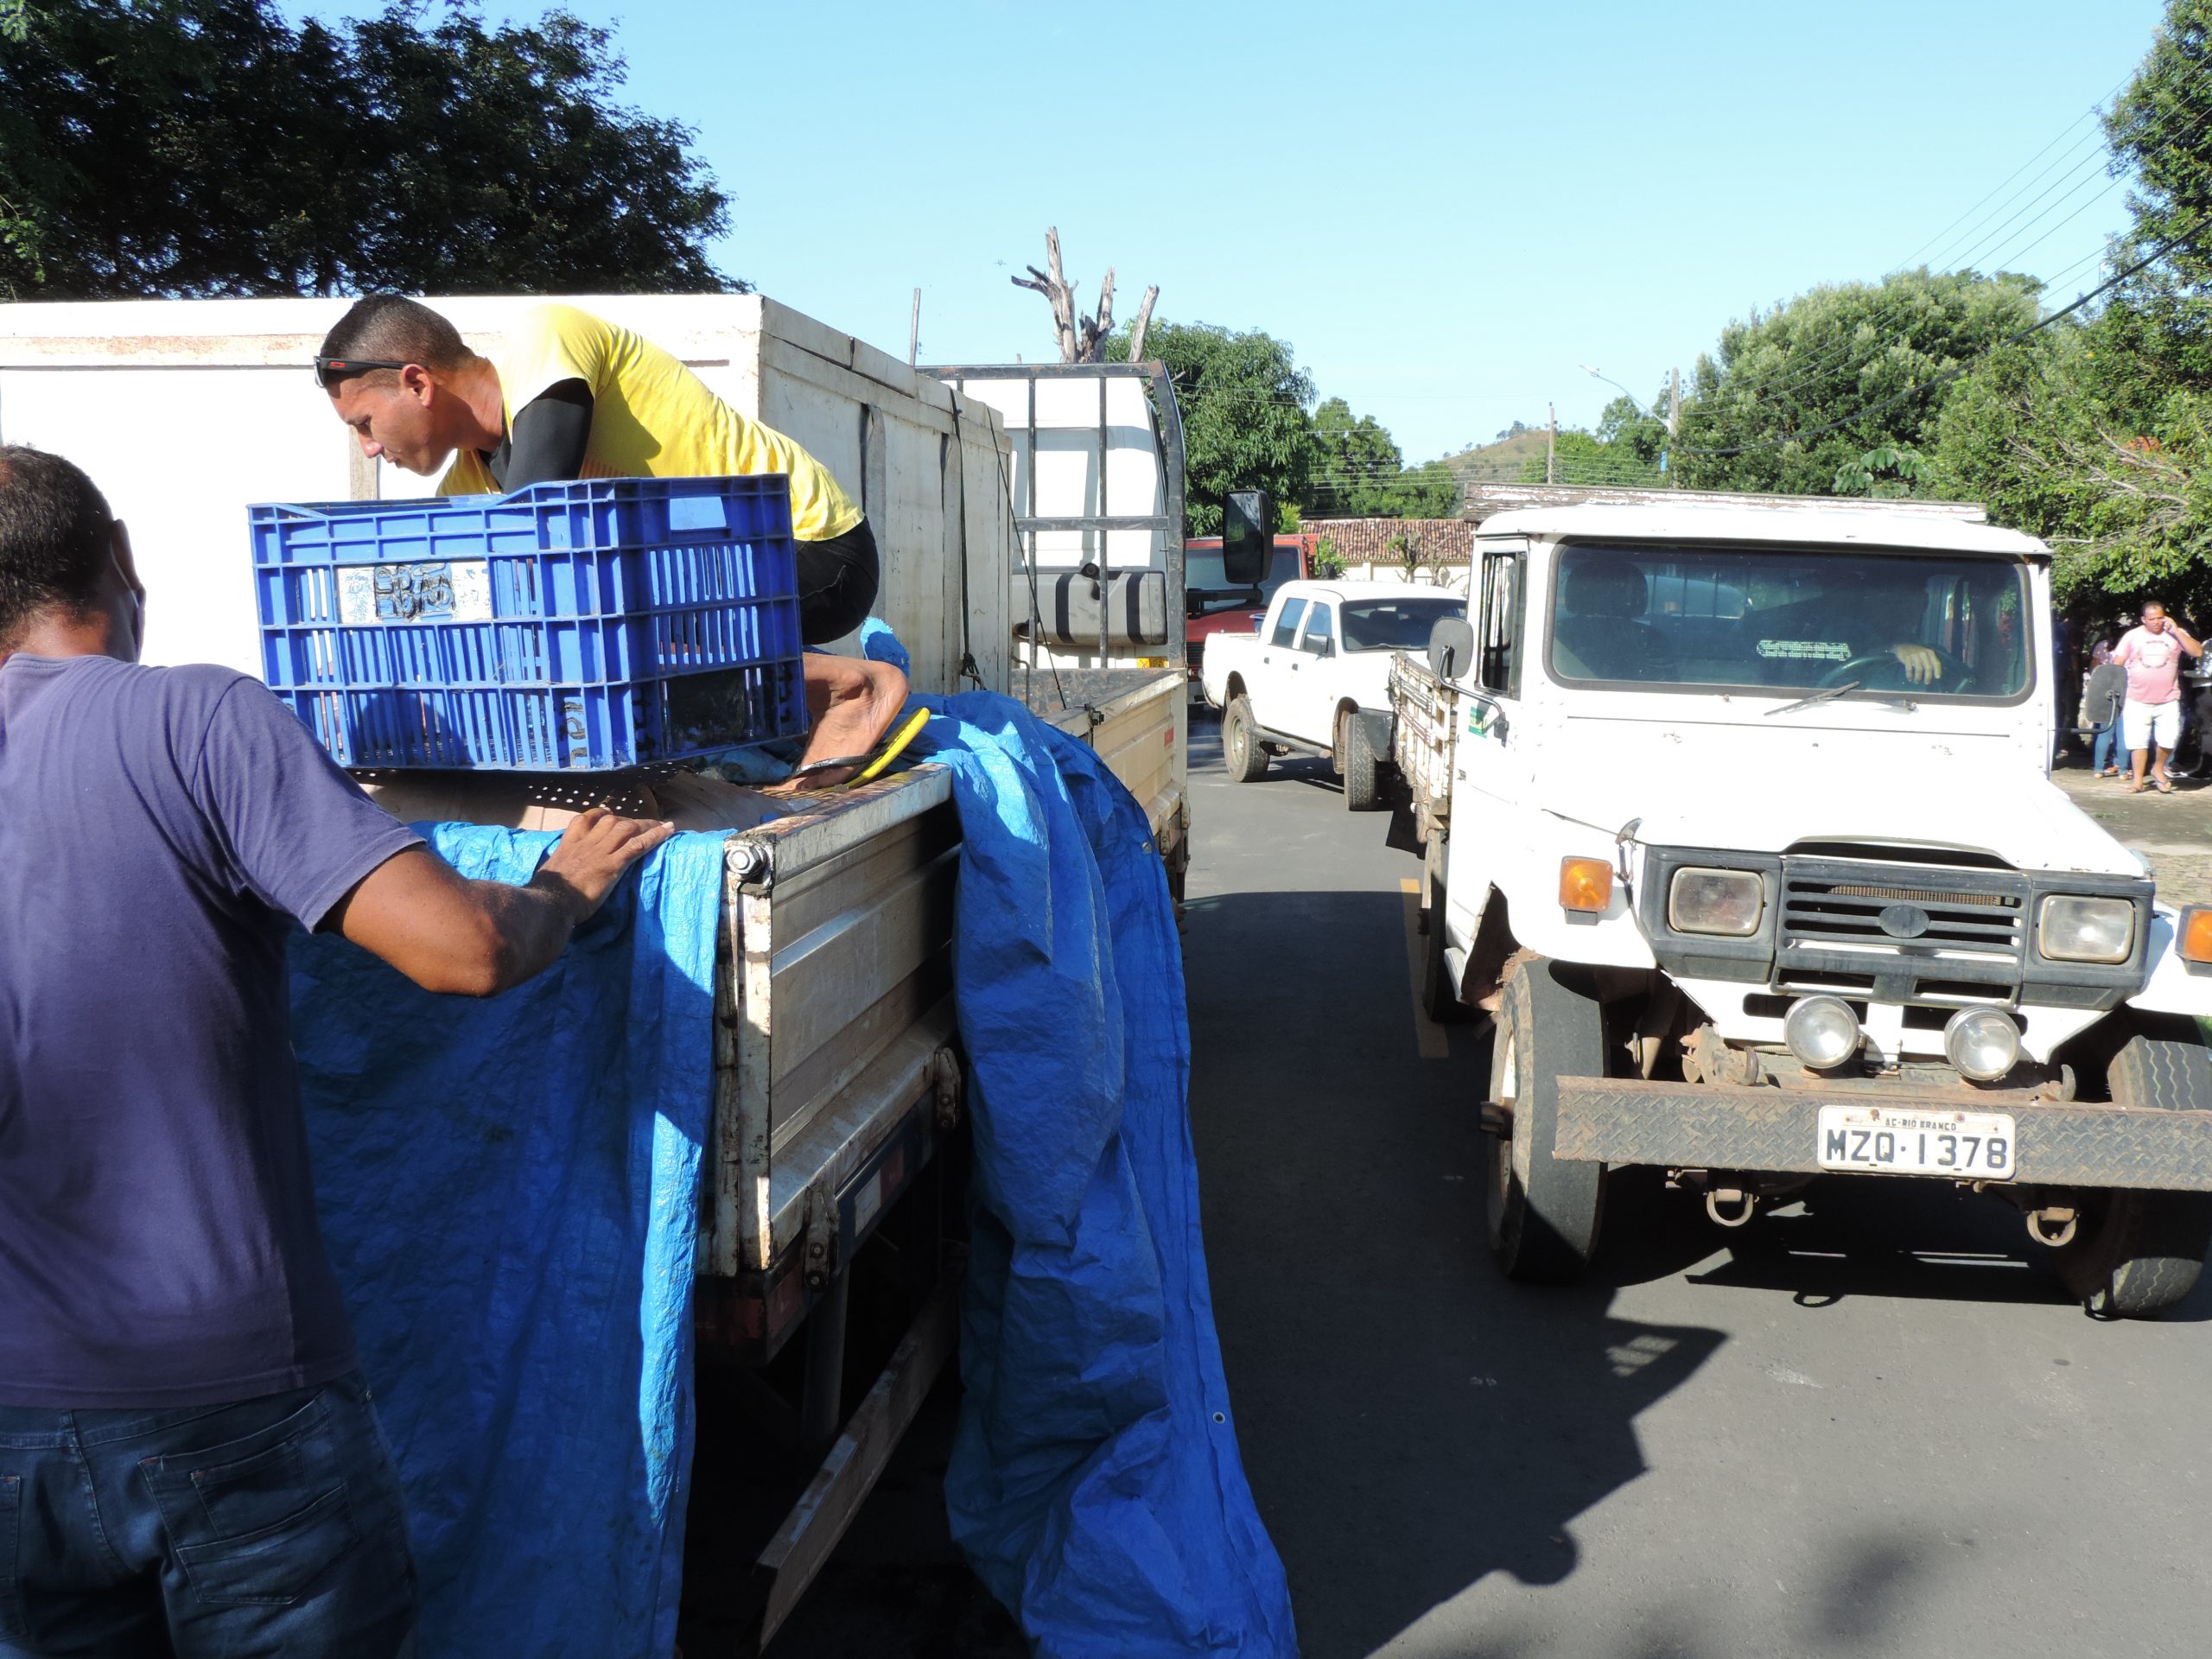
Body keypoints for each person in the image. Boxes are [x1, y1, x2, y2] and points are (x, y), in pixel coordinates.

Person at [0, 446, 673, 1656]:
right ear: (118, 562)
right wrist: (564, 889)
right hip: (231, 1409)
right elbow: (461, 950)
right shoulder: (196, 720)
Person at [315, 296, 907, 785]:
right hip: (718, 588)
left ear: (417, 382)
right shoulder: (469, 478)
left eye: (363, 424)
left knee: (570, 610)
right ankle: (797, 700)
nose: (369, 447)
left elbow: (536, 525)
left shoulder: (545, 338)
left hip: (813, 551)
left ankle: (848, 687)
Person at [2113, 599, 2203, 792]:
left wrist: (2177, 631)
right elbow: (2117, 664)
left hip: (2168, 698)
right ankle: (2137, 781)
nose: (2157, 622)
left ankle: (2158, 768)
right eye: (2152, 619)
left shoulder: (2175, 634)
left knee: (2169, 739)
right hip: (2137, 698)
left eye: (2160, 618)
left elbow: (2197, 652)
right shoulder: (2132, 636)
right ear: (2144, 619)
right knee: (2138, 741)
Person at [2081, 639, 2128, 778]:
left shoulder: (2102, 645)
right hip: (2125, 689)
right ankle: (2123, 770)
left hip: (2104, 690)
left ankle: (2098, 769)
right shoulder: (2130, 644)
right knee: (2123, 732)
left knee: (2104, 732)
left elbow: (2094, 668)